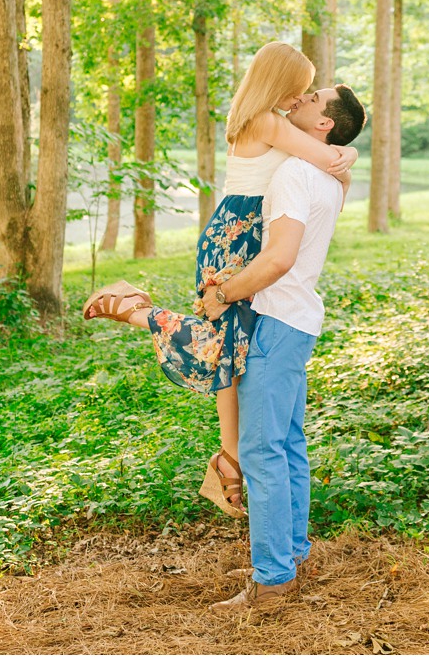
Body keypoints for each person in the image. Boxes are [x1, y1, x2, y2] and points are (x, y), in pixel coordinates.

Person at [81, 43, 357, 519]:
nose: (300, 97)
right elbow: (331, 161)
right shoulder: (267, 121)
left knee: (232, 350)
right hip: (237, 237)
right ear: (279, 81)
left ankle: (229, 459)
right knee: (220, 340)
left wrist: (340, 154)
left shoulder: (259, 117)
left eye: (309, 93)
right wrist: (346, 154)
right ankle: (133, 309)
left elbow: (325, 160)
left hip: (238, 231)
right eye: (300, 87)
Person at [204, 85, 367, 610]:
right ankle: (290, 554)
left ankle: (272, 580)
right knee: (288, 445)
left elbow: (279, 257)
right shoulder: (328, 176)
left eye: (312, 98)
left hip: (275, 321)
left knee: (262, 453)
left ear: (325, 125)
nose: (299, 99)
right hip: (298, 321)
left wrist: (226, 292)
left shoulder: (297, 175)